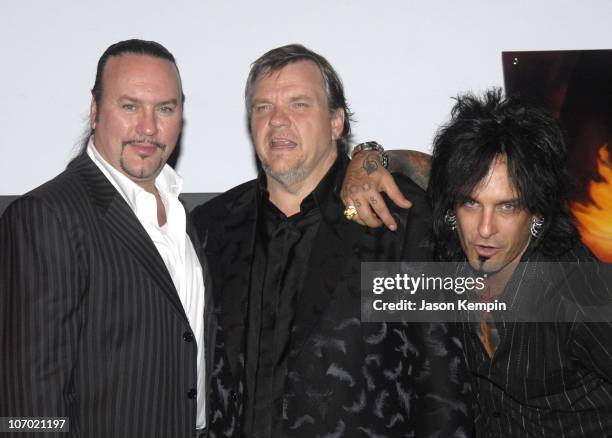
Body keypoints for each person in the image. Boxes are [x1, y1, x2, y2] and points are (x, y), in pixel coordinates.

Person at [193, 44, 472, 438]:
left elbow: (444, 385)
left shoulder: (402, 219)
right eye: (262, 107)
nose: (277, 121)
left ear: (337, 122)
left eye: (299, 104)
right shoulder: (209, 228)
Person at [344, 89, 612, 436]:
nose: (485, 229)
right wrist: (367, 159)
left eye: (507, 206)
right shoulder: (453, 262)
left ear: (537, 212)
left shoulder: (576, 291)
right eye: (471, 204)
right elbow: (419, 166)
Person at [0, 39, 215, 438]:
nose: (148, 127)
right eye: (130, 106)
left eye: (165, 109)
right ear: (96, 110)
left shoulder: (189, 218)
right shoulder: (47, 216)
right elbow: (27, 405)